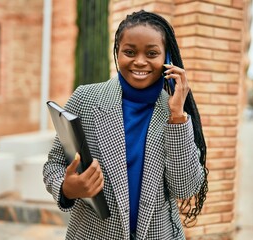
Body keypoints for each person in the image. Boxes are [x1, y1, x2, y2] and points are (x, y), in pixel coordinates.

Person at [43, 10, 208, 240]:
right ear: (117, 52)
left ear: (167, 59)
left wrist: (177, 116)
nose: (140, 61)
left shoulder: (174, 111)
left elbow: (185, 188)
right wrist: (67, 189)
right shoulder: (85, 99)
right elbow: (54, 164)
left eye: (152, 53)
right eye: (129, 52)